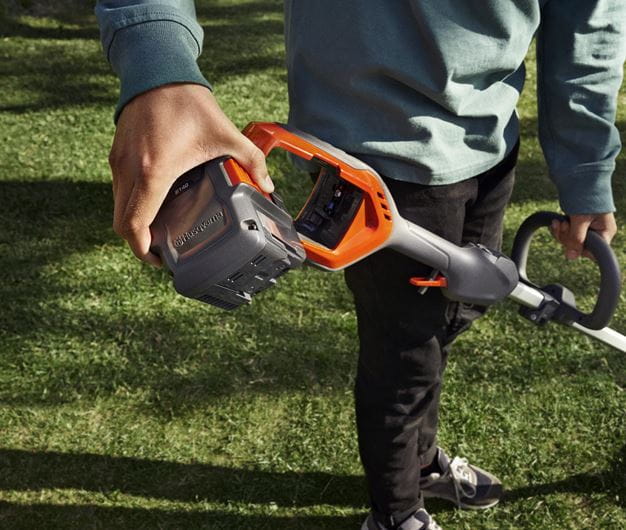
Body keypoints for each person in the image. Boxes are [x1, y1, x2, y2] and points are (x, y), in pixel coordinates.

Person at [95, 1, 624, 528]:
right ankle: (396, 513)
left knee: (444, 324)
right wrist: (157, 58)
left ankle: (419, 462)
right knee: (403, 354)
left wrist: (586, 173)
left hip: (490, 141)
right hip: (375, 159)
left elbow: (588, 20)